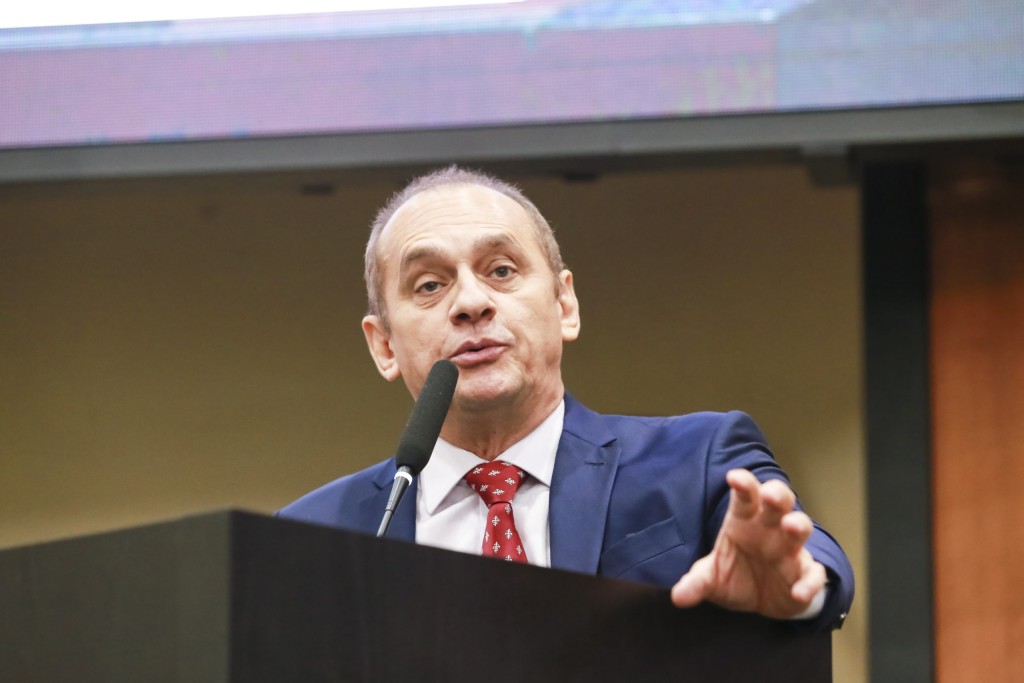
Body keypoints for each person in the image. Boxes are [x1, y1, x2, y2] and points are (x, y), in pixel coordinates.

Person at [278, 165, 853, 631]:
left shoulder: (697, 460)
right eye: (430, 285)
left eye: (501, 270)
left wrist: (799, 586)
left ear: (564, 305)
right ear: (384, 346)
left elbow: (806, 560)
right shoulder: (310, 536)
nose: (471, 303)